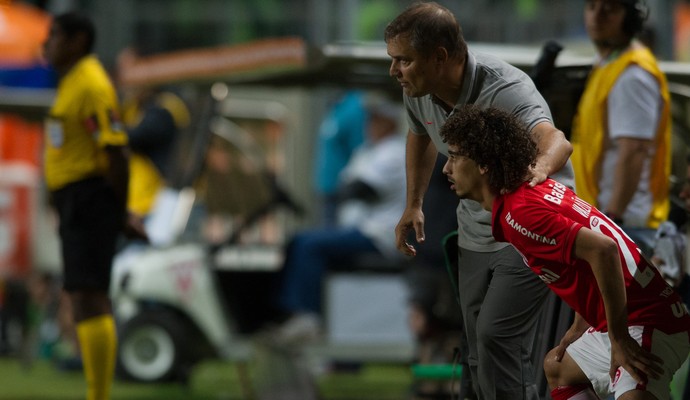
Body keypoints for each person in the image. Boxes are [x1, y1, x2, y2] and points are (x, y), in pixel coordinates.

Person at [384, 3, 574, 399]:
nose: (394, 71)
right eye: (393, 59)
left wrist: (534, 174)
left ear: (440, 56)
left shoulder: (505, 89)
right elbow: (420, 134)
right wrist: (413, 204)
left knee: (496, 336)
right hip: (475, 229)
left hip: (529, 229)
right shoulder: (419, 91)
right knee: (475, 350)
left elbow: (556, 141)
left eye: (404, 60)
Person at [439, 104, 690, 400]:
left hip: (647, 322)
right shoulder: (525, 197)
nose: (446, 167)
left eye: (455, 156)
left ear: (483, 164)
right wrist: (580, 324)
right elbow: (584, 264)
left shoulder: (519, 214)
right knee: (558, 367)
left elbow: (605, 250)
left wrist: (619, 338)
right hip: (632, 316)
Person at [42, 11, 146, 400]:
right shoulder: (71, 82)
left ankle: (99, 394)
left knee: (90, 294)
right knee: (81, 294)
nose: (46, 44)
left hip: (90, 198)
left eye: (54, 36)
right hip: (75, 200)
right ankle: (95, 390)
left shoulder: (91, 84)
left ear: (78, 40)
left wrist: (118, 213)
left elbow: (116, 152)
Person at [267, 95, 407, 345]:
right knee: (297, 241)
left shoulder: (394, 151)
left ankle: (308, 316)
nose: (369, 124)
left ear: (388, 121)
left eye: (375, 118)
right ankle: (285, 312)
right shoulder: (368, 151)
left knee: (309, 244)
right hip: (360, 229)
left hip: (380, 236)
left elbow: (360, 189)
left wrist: (336, 191)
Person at [570, 0, 671, 257]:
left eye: (609, 9)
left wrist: (610, 218)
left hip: (624, 226)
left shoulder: (633, 75)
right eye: (591, 6)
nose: (596, 16)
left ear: (630, 18)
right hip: (605, 218)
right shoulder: (607, 62)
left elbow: (633, 151)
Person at [313, 90, 366, 227]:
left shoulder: (355, 107)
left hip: (343, 188)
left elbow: (359, 150)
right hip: (328, 187)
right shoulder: (337, 106)